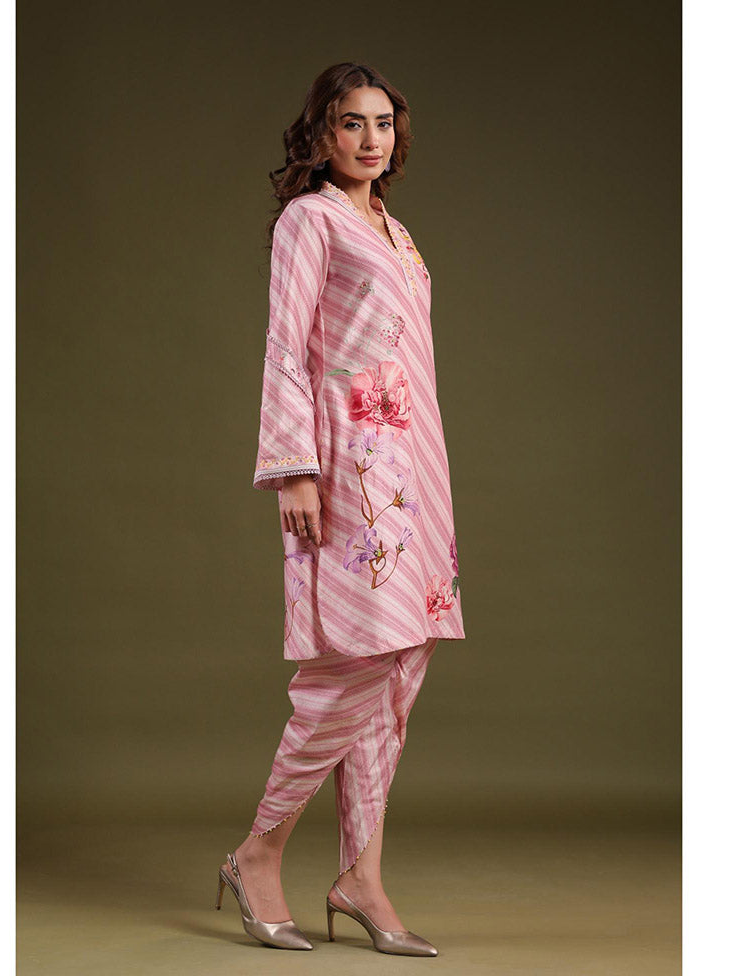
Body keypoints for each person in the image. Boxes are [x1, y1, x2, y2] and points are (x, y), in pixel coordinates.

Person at [216, 61, 466, 956]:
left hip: (413, 462)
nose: (370, 138)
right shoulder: (310, 219)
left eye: (383, 123)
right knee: (355, 660)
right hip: (345, 463)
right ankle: (259, 851)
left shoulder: (396, 230)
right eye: (351, 123)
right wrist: (294, 469)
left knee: (402, 663)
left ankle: (361, 874)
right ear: (321, 134)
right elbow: (287, 345)